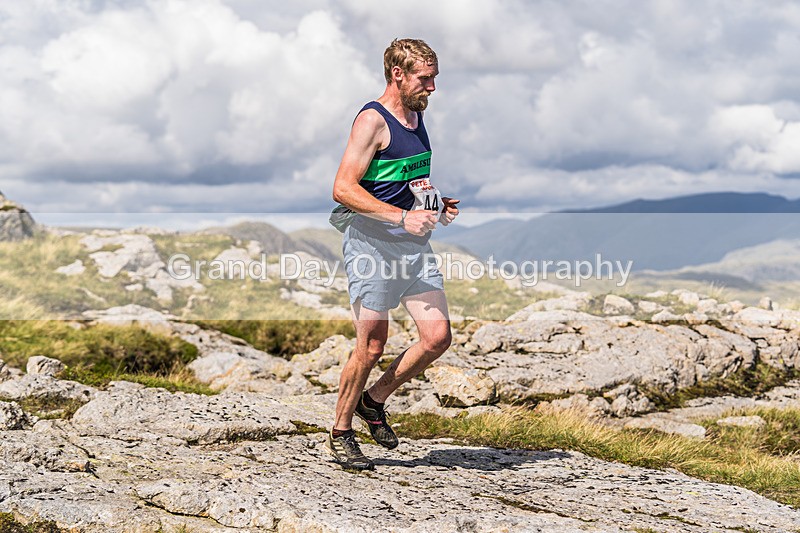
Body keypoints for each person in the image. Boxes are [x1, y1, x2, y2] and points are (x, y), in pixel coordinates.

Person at [327, 38, 459, 470]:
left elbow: (408, 178)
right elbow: (343, 189)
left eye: (434, 78)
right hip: (371, 244)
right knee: (371, 346)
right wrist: (401, 218)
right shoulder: (372, 120)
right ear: (397, 75)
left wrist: (436, 203)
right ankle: (341, 430)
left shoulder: (417, 114)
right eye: (425, 79)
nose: (433, 87)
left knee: (437, 337)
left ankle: (374, 399)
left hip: (412, 246)